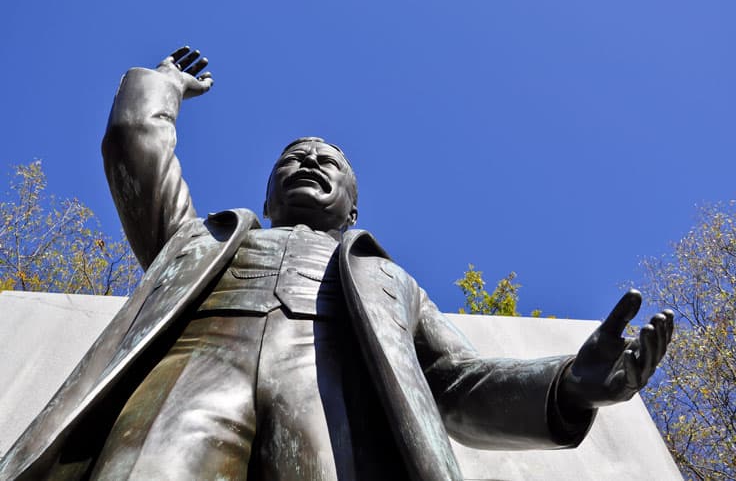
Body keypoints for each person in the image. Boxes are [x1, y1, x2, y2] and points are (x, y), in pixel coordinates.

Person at [0, 47, 673, 481]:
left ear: (352, 210)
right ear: (267, 196)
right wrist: (161, 85)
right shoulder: (196, 242)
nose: (311, 160)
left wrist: (566, 388)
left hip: (329, 393)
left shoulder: (388, 283)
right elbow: (132, 146)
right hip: (192, 370)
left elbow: (457, 384)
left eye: (330, 159)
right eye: (293, 155)